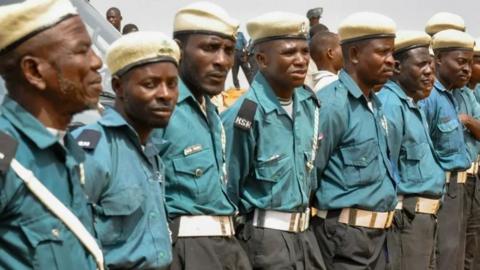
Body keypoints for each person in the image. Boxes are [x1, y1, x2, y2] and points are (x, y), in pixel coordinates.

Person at [0, 0, 104, 269]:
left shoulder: (66, 147)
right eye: (82, 51)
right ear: (34, 71)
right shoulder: (7, 154)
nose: (97, 61)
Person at [222, 11, 326, 270]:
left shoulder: (308, 105)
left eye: (305, 51)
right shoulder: (245, 115)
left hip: (305, 239)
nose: (301, 60)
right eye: (290, 53)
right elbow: (229, 193)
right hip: (266, 245)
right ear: (262, 59)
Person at [152, 2, 251, 269]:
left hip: (227, 246)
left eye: (229, 51)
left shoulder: (210, 109)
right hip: (186, 250)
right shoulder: (161, 109)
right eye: (209, 48)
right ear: (179, 51)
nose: (222, 61)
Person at [72, 31, 179, 269]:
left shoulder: (149, 150)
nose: (165, 95)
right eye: (150, 84)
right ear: (118, 87)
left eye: (172, 84)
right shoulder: (93, 148)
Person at [311, 12, 397, 270]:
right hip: (344, 241)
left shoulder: (376, 105)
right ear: (356, 54)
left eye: (392, 53)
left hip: (379, 240)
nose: (391, 61)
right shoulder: (332, 105)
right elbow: (310, 174)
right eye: (383, 53)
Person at [377, 30, 443, 270]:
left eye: (431, 65)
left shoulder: (412, 104)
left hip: (425, 220)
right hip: (406, 221)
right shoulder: (390, 105)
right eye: (421, 65)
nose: (429, 71)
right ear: (397, 68)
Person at [420, 29, 475, 270]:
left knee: (456, 258)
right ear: (439, 59)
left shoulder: (455, 96)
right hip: (442, 190)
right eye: (461, 62)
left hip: (459, 188)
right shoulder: (429, 97)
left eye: (470, 63)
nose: (467, 69)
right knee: (443, 258)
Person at [452, 40, 480, 270]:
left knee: (469, 246)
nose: (469, 68)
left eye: (472, 62)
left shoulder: (468, 96)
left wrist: (469, 121)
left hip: (471, 179)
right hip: (451, 183)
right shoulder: (435, 96)